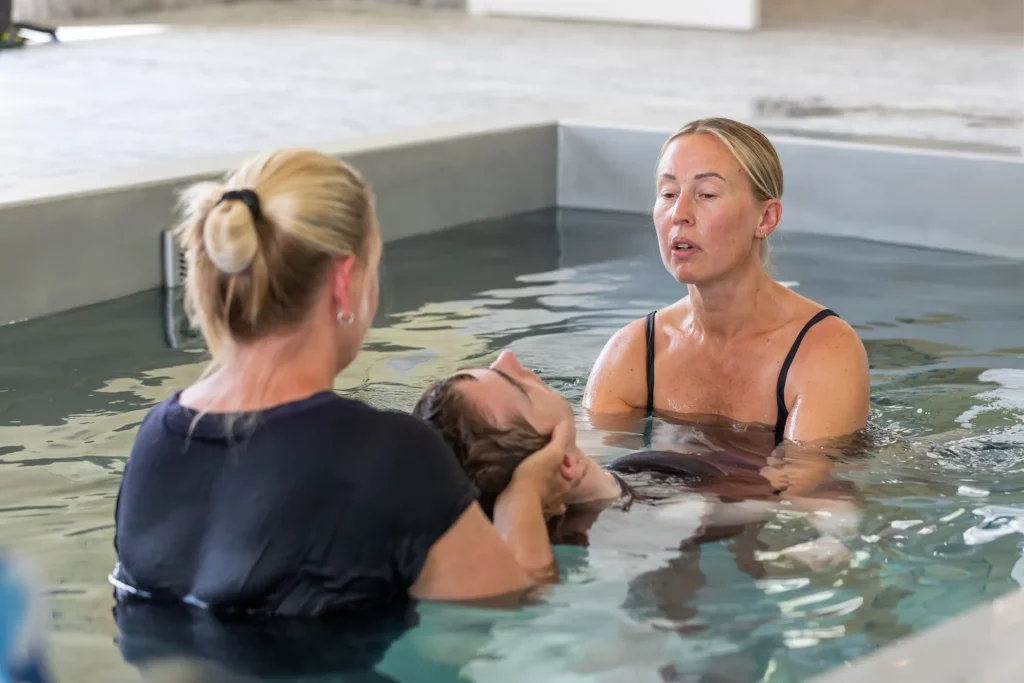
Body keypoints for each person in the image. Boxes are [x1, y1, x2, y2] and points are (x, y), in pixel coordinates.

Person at [111, 149, 572, 618]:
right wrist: (525, 491)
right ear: (343, 279)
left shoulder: (156, 437)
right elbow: (519, 611)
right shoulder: (391, 452)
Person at [584, 118, 870, 449]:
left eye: (706, 194)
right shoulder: (633, 352)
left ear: (765, 218)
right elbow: (589, 472)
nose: (680, 213)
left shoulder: (823, 350)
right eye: (668, 193)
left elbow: (800, 488)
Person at [411, 350, 861, 547]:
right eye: (514, 384)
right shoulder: (661, 518)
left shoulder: (626, 474)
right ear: (565, 462)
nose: (507, 358)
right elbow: (813, 511)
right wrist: (831, 540)